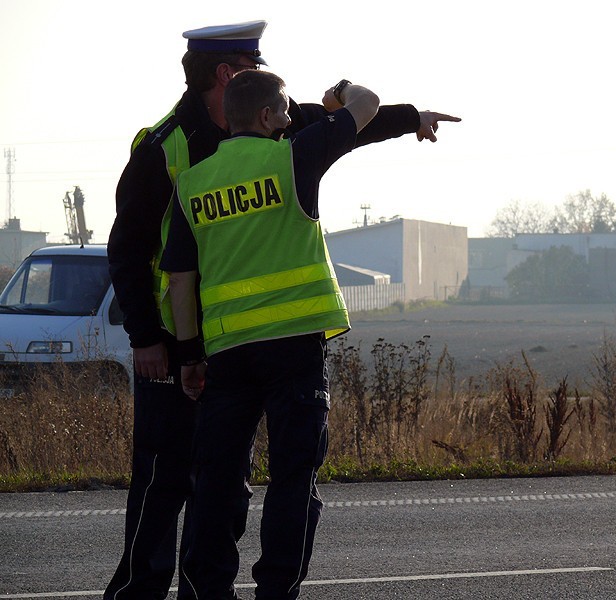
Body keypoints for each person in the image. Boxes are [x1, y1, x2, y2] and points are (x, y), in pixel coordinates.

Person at [106, 19, 460, 600]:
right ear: (230, 74)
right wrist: (148, 337)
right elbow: (128, 249)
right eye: (254, 63)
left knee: (218, 481)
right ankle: (142, 593)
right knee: (165, 480)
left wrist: (411, 118)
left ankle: (204, 593)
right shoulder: (165, 147)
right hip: (181, 343)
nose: (287, 109)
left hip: (214, 348)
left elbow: (343, 128)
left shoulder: (268, 129)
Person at [162, 69, 377, 599]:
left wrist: (190, 356)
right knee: (292, 479)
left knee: (216, 482)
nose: (289, 120)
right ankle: (275, 591)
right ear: (265, 117)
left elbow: (180, 284)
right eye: (283, 111)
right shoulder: (292, 158)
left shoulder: (192, 185)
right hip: (295, 349)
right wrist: (339, 93)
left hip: (227, 354)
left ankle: (211, 591)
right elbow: (368, 103)